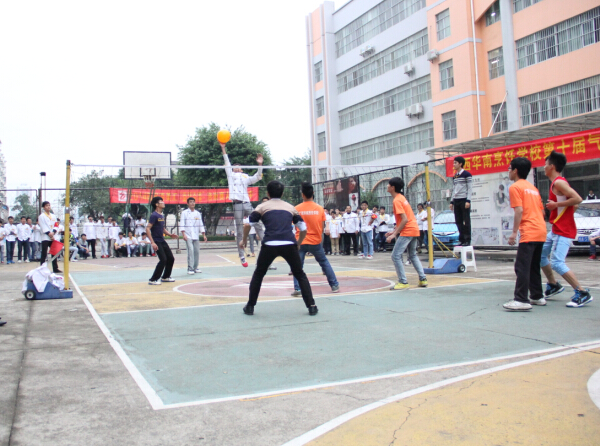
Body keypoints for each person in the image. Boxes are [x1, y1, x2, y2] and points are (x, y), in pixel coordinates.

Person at [240, 180, 318, 316]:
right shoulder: (290, 207)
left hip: (269, 244)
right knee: (299, 274)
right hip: (289, 244)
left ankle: (250, 306)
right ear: (282, 193)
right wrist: (298, 242)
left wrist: (244, 239)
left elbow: (247, 225)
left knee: (259, 274)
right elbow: (303, 228)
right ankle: (311, 306)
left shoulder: (262, 207)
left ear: (268, 193)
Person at [540, 151, 593, 308]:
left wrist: (556, 205)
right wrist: (563, 211)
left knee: (557, 262)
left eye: (545, 164)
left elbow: (578, 199)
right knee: (541, 254)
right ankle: (553, 285)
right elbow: (573, 205)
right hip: (556, 229)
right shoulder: (556, 183)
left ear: (552, 166)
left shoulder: (559, 183)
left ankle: (582, 292)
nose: (543, 167)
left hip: (563, 231)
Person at [502, 158, 548, 311]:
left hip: (529, 231)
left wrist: (514, 232)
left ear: (515, 171)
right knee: (533, 266)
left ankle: (521, 299)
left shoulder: (515, 187)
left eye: (509, 168)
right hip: (540, 230)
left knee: (521, 267)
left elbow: (519, 210)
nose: (508, 171)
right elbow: (542, 212)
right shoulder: (533, 188)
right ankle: (537, 296)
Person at [221, 141, 265, 267]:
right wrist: (223, 148)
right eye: (234, 167)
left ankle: (266, 246)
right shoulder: (231, 175)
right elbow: (227, 163)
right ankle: (242, 256)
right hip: (237, 205)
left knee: (258, 223)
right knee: (239, 231)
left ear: (241, 169)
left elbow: (257, 177)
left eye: (238, 167)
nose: (236, 168)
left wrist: (260, 164)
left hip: (247, 203)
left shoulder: (245, 177)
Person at [290, 182, 340, 296]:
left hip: (300, 241)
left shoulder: (296, 209)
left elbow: (293, 225)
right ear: (313, 193)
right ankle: (334, 285)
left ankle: (298, 288)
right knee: (324, 262)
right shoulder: (320, 208)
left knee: (297, 265)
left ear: (302, 194)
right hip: (315, 241)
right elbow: (322, 227)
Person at [386, 177, 427, 290]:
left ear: (393, 187)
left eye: (389, 185)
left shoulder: (397, 200)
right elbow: (403, 219)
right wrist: (394, 231)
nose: (387, 186)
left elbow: (404, 219)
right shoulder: (401, 198)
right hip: (414, 229)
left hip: (407, 231)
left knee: (395, 255)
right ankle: (423, 279)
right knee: (412, 255)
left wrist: (394, 235)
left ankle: (403, 281)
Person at [146, 197, 178, 285]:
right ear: (157, 204)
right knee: (163, 259)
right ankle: (153, 279)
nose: (163, 203)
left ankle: (165, 277)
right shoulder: (154, 215)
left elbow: (162, 228)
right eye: (161, 202)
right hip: (156, 241)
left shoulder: (161, 215)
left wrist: (170, 235)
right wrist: (152, 242)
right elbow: (147, 229)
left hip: (162, 240)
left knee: (170, 258)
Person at [450, 156, 473, 246]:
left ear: (460, 164)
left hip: (464, 199)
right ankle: (461, 239)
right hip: (456, 200)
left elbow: (470, 188)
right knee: (458, 221)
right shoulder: (455, 176)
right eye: (454, 163)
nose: (454, 164)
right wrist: (452, 201)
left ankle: (467, 239)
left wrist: (468, 200)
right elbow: (454, 189)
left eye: (455, 163)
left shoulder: (467, 174)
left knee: (466, 221)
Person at [180, 197, 207, 274]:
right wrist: (183, 234)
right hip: (188, 235)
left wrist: (203, 234)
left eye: (193, 202)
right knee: (190, 251)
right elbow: (182, 224)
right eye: (191, 202)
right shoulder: (184, 213)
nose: (192, 203)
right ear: (187, 203)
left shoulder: (198, 213)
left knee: (196, 251)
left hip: (196, 235)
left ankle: (195, 267)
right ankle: (190, 268)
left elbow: (201, 224)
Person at [38, 201, 61, 273]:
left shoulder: (53, 216)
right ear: (43, 207)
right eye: (46, 205)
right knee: (44, 253)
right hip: (45, 237)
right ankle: (42, 268)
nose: (48, 207)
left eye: (49, 205)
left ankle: (55, 268)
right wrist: (49, 233)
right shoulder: (41, 216)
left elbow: (56, 225)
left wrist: (53, 232)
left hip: (53, 236)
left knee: (54, 253)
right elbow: (43, 226)